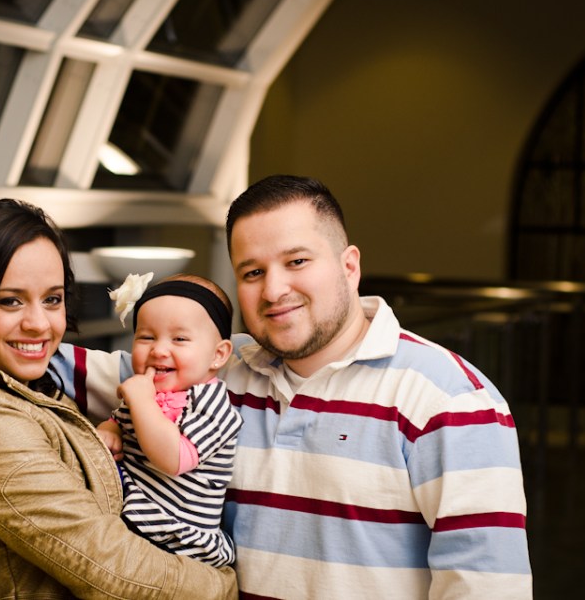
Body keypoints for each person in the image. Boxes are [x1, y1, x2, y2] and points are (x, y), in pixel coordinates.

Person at [0, 199, 237, 599]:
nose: (39, 324)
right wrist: (224, 587)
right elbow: (110, 567)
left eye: (52, 299)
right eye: (10, 300)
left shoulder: (24, 380)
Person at [219, 175, 532, 598]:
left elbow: (486, 589)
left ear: (349, 267)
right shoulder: (219, 376)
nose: (273, 290)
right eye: (253, 272)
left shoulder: (449, 398)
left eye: (297, 261)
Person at [96, 274, 243, 568]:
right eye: (146, 337)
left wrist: (141, 401)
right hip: (134, 519)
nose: (159, 350)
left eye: (179, 339)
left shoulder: (212, 404)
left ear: (218, 355)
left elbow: (173, 459)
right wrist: (110, 431)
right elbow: (117, 422)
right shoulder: (146, 391)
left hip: (179, 540)